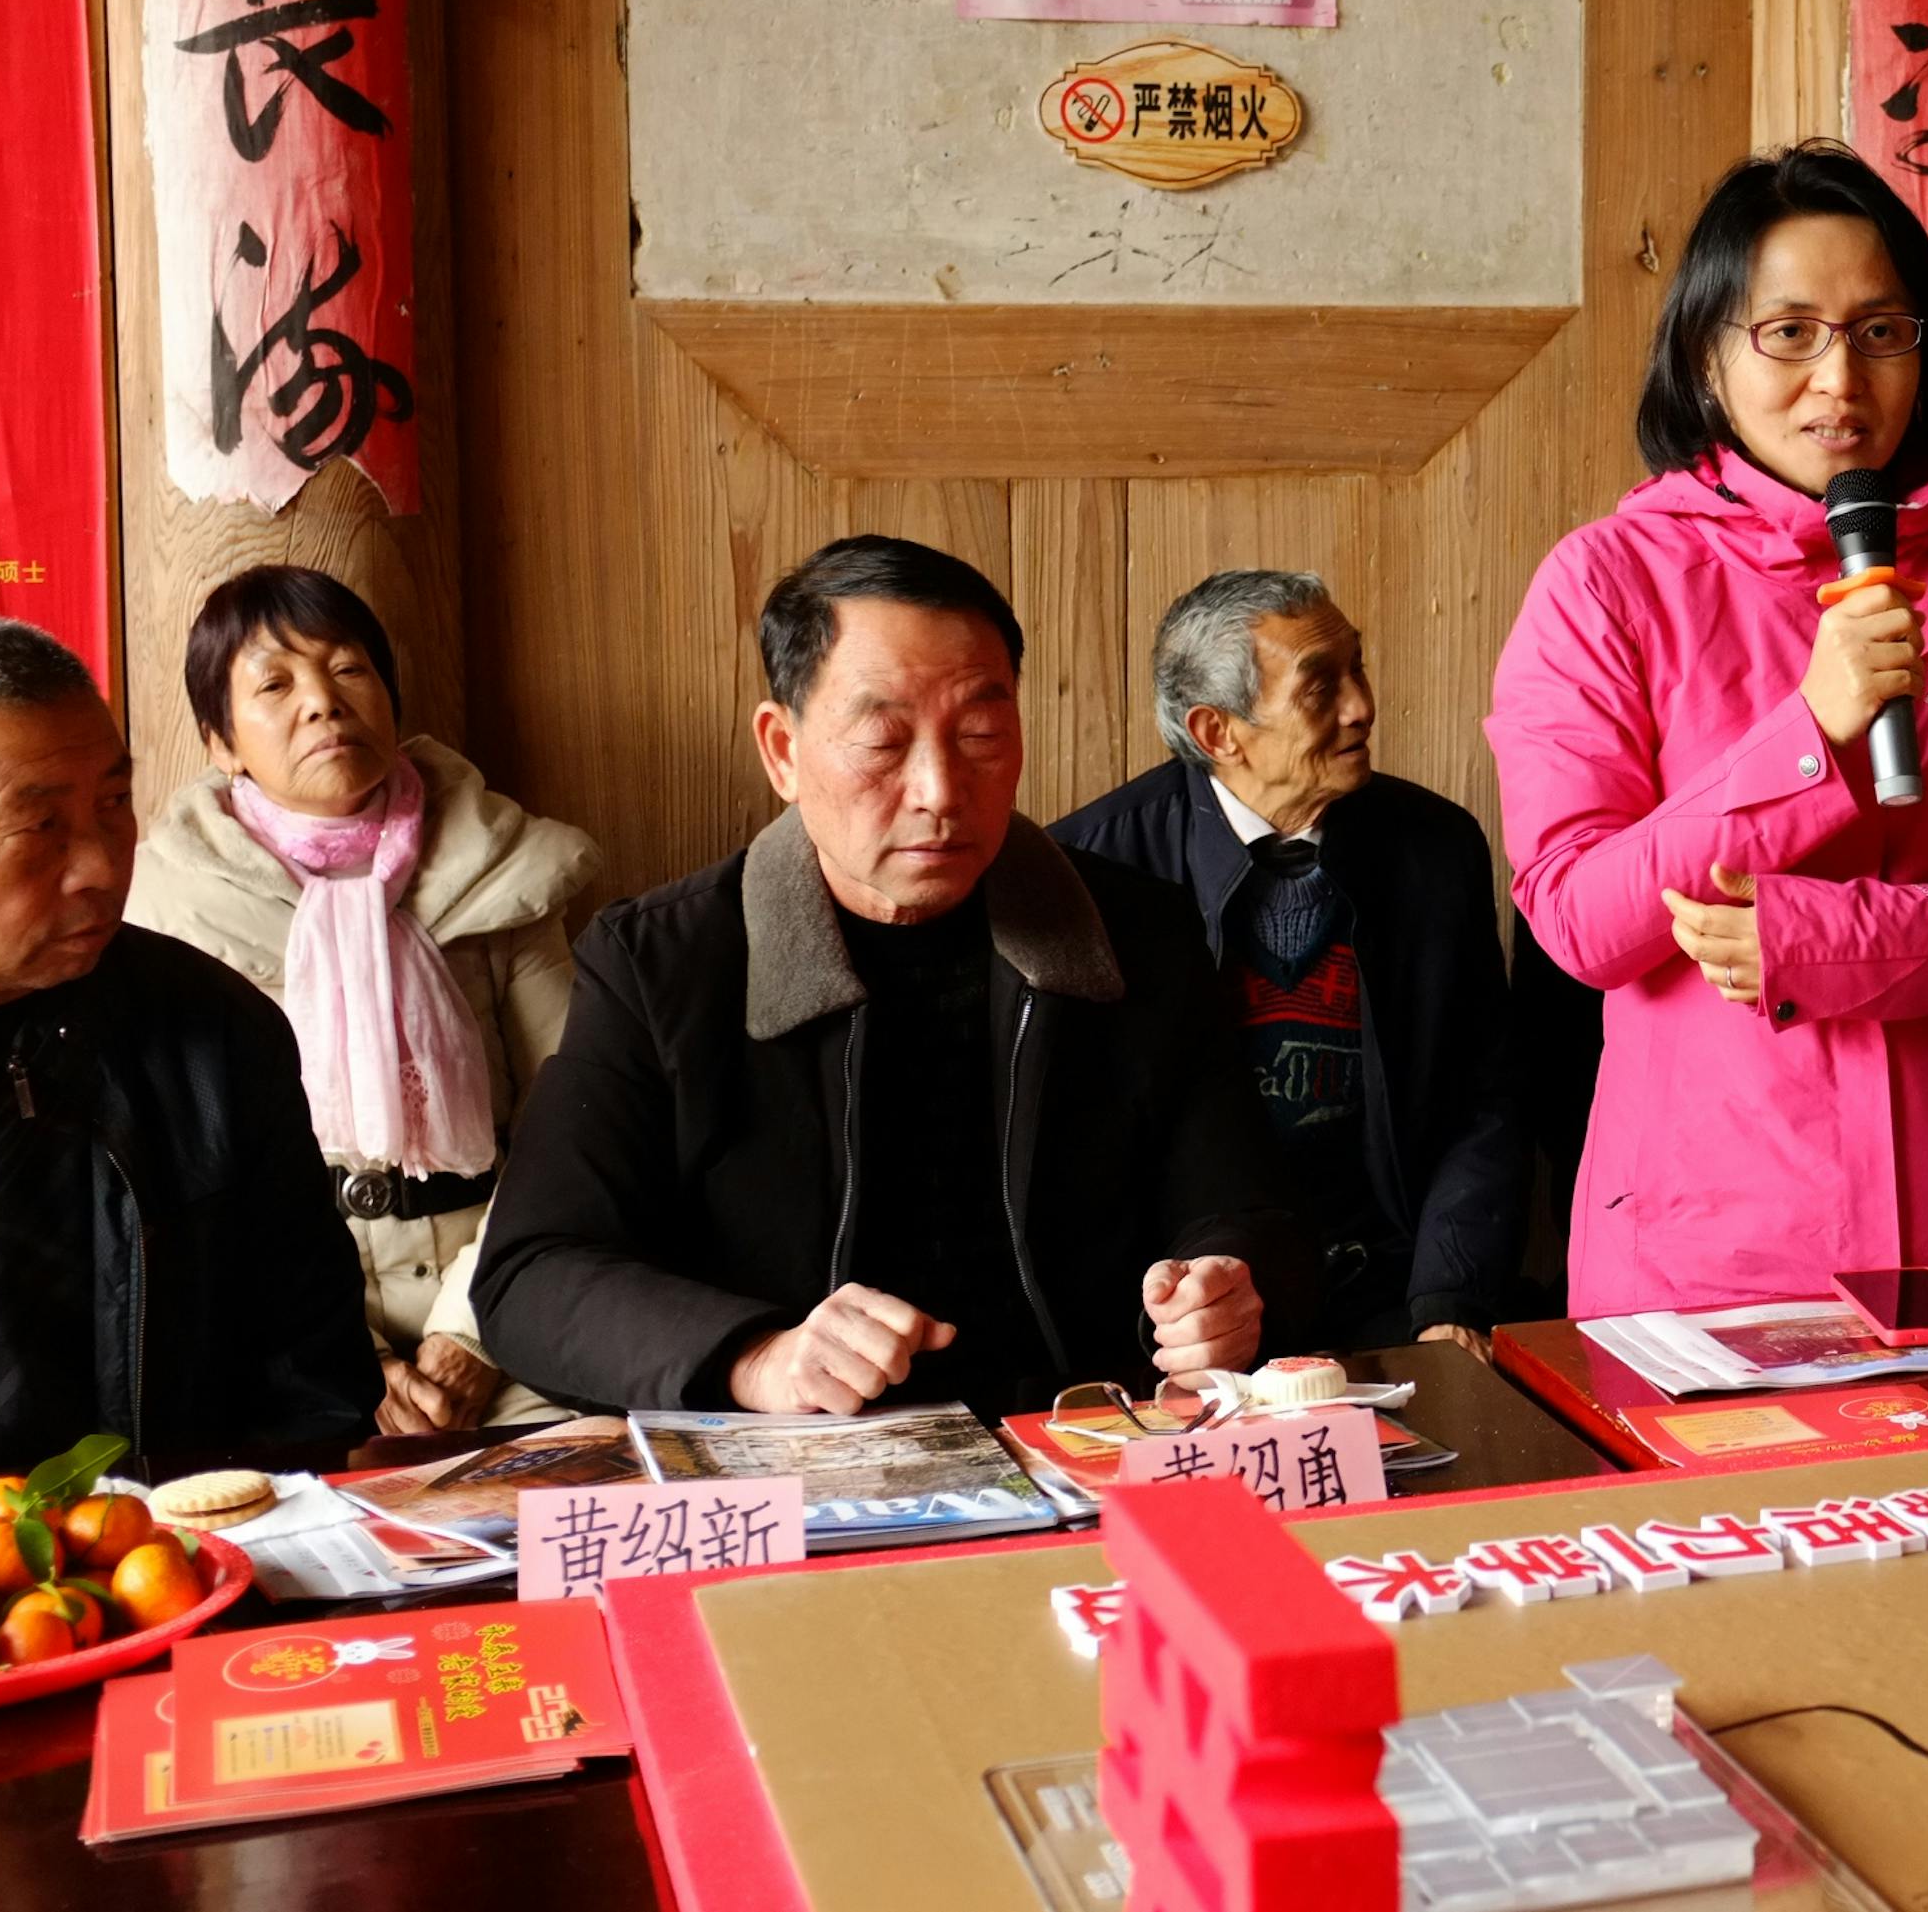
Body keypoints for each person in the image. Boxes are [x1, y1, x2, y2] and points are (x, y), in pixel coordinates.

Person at [1485, 143, 1928, 1317]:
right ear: (1706, 354)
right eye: (1789, 332)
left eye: (1881, 331)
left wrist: (1826, 937)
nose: (1841, 380)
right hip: (1706, 1258)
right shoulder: (1604, 581)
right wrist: (1810, 733)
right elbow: (1580, 917)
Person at [474, 537, 1314, 1416]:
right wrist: (761, 1358)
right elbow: (534, 1275)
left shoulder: (1133, 932)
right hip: (805, 1476)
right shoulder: (661, 963)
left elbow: (1255, 1208)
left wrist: (1234, 1288)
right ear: (782, 750)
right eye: (881, 740)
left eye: (981, 734)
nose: (940, 789)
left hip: (1087, 1443)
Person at [0, 612, 374, 1475]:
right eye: (38, 826)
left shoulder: (212, 1032)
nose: (103, 865)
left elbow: (310, 1385)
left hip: (177, 1570)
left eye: (114, 803)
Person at [124, 566, 601, 1435]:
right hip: (283, 1327)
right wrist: (354, 1351)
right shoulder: (177, 911)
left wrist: (472, 1336)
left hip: (511, 1290)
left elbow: (571, 1119)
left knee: (561, 1502)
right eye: (275, 682)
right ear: (221, 741)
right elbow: (196, 1174)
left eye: (349, 670)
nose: (323, 702)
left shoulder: (498, 871)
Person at [1053, 571, 1528, 1349]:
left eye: (1358, 667)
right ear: (1217, 732)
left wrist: (1452, 1298)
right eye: (1320, 688)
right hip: (1182, 1313)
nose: (1362, 705)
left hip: (1394, 1290)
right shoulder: (1090, 870)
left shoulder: (1433, 847)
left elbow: (1483, 1098)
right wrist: (1173, 1314)